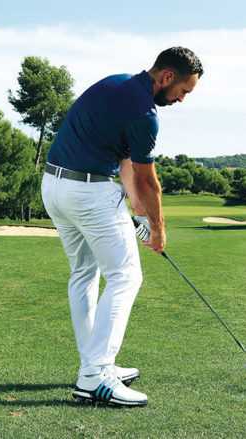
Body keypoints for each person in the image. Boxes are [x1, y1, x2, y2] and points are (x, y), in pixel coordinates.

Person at [41, 47, 203, 407]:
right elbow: (147, 181)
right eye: (183, 91)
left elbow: (128, 168)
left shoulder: (115, 84)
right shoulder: (145, 114)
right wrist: (158, 230)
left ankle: (93, 363)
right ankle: (95, 374)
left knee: (83, 273)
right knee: (126, 276)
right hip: (89, 193)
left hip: (54, 187)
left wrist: (140, 215)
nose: (181, 99)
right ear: (167, 77)